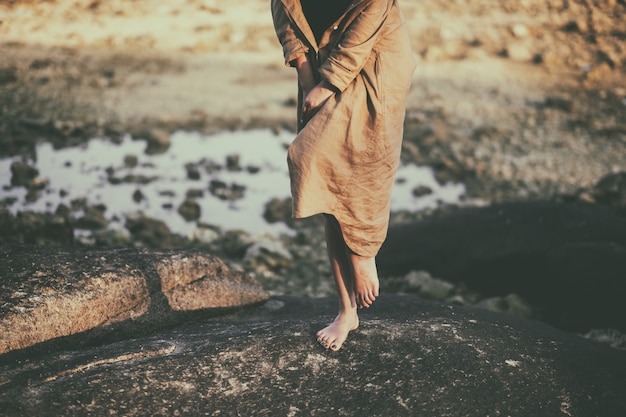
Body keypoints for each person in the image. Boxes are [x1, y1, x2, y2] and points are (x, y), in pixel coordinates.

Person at [271, 0, 416, 351]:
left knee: (348, 165)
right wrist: (309, 83)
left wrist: (329, 83)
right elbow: (288, 20)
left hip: (374, 59)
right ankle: (346, 311)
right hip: (321, 66)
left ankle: (363, 253)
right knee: (326, 186)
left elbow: (370, 17)